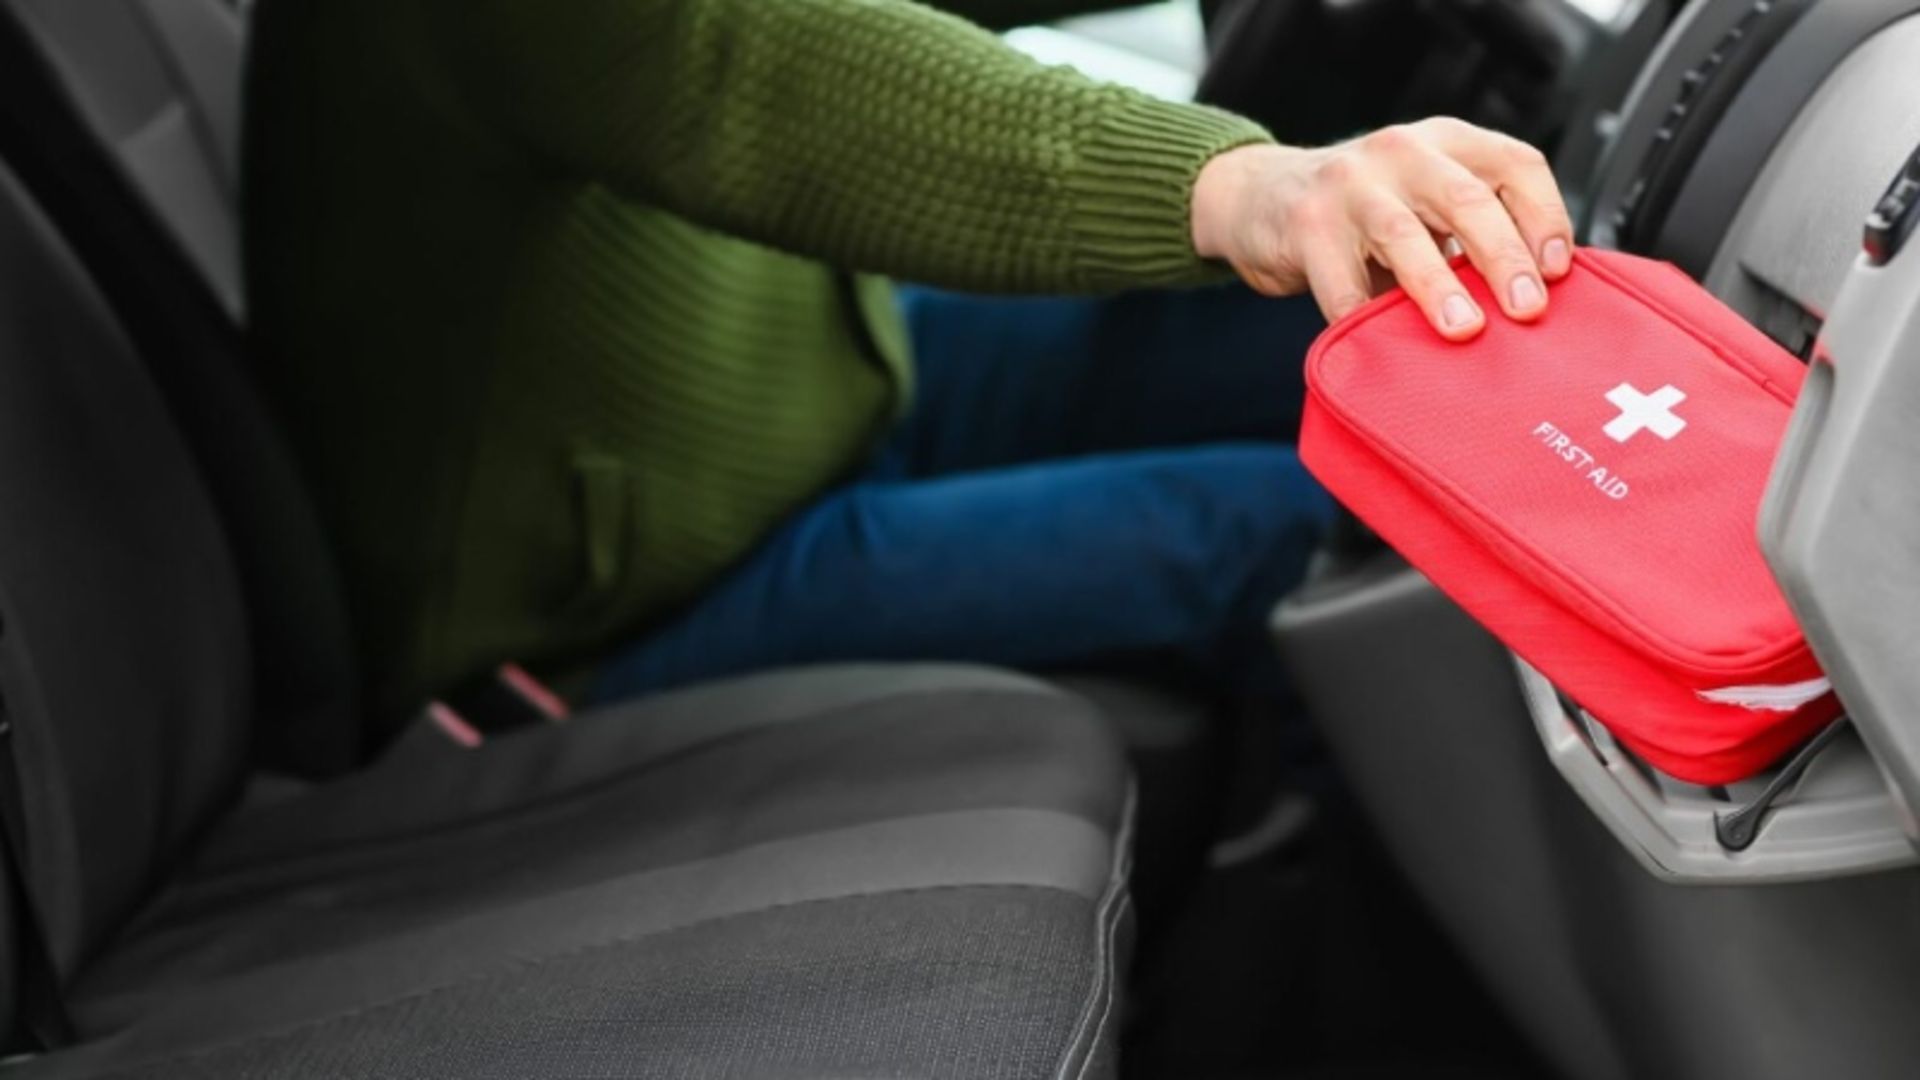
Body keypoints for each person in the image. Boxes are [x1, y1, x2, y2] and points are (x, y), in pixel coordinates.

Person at [244, 0, 1574, 724]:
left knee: (1338, 346)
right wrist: (1245, 186)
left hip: (833, 373)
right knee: (1312, 532)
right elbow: (773, 81)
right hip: (605, 618)